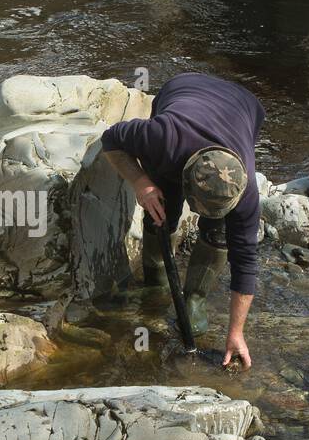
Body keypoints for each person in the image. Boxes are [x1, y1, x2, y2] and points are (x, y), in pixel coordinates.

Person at [100, 71, 264, 369]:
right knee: (162, 207)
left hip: (243, 106)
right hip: (184, 87)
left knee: (220, 233)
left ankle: (195, 298)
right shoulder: (161, 137)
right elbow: (110, 139)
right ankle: (156, 281)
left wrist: (236, 332)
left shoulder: (246, 189)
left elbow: (246, 262)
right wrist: (140, 182)